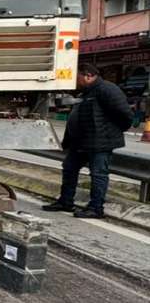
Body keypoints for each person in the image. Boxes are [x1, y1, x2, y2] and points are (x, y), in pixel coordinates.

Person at [42, 65, 131, 219]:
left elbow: (125, 115)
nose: (76, 82)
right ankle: (65, 201)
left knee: (98, 174)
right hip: (80, 141)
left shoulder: (107, 90)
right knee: (69, 169)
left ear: (88, 75)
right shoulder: (85, 92)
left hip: (100, 142)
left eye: (77, 78)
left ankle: (96, 208)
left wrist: (109, 133)